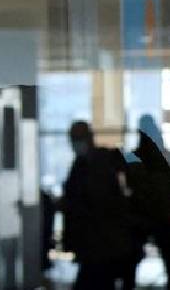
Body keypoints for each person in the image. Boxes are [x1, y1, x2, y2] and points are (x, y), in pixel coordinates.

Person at [62, 121, 143, 290]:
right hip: (101, 245)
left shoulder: (103, 162)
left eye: (77, 139)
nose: (75, 144)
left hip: (107, 244)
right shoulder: (83, 166)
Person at [125, 114, 170, 289]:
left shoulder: (133, 158)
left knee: (130, 264)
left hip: (141, 216)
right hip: (161, 216)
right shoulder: (164, 157)